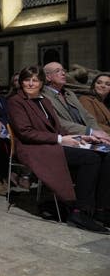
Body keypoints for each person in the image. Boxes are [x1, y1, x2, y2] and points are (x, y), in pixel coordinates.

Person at [7, 66, 110, 232]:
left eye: (35, 80)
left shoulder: (45, 101)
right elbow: (26, 133)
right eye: (27, 80)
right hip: (33, 148)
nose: (31, 83)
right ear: (21, 82)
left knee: (104, 152)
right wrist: (61, 139)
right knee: (91, 158)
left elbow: (57, 128)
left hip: (52, 143)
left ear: (41, 82)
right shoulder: (16, 101)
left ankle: (100, 209)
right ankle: (80, 212)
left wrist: (81, 137)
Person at [41, 62, 110, 142]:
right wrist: (90, 132)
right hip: (69, 139)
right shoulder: (44, 96)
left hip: (89, 137)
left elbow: (87, 116)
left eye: (63, 70)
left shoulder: (69, 94)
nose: (63, 73)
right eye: (57, 71)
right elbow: (58, 122)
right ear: (48, 77)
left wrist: (100, 134)